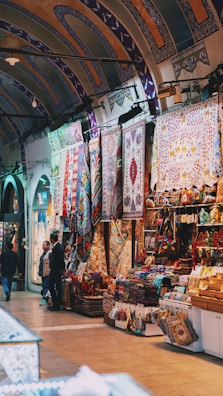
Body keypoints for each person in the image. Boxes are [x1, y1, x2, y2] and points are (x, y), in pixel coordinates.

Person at [48, 232, 65, 311]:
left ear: (51, 239)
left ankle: (57, 304)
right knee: (51, 286)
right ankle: (55, 303)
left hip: (56, 270)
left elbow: (61, 260)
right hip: (53, 270)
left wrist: (63, 269)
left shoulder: (58, 248)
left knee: (57, 287)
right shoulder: (56, 247)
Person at [38, 240, 51, 306]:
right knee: (44, 286)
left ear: (48, 246)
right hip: (43, 273)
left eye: (44, 245)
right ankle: (46, 299)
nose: (43, 246)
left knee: (46, 286)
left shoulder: (49, 253)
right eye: (42, 245)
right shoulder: (44, 254)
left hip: (47, 273)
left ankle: (44, 299)